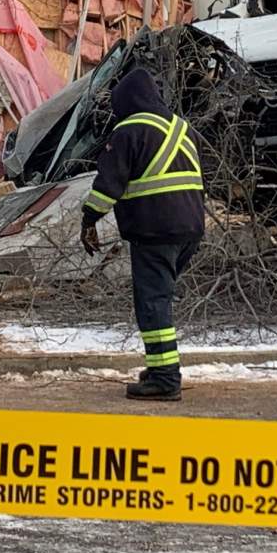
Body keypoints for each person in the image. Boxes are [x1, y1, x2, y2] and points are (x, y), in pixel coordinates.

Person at [80, 68, 205, 401]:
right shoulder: (183, 128)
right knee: (160, 298)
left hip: (155, 230)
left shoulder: (129, 130)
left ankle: (165, 378)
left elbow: (107, 187)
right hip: (190, 230)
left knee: (153, 302)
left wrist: (89, 219)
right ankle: (160, 366)